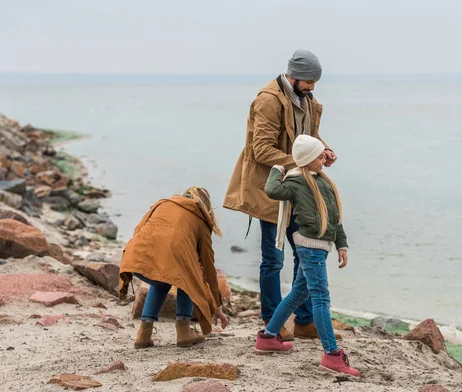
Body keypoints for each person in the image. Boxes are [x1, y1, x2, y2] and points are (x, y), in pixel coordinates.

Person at [223, 49, 340, 341]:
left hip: (300, 189)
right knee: (273, 260)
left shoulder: (308, 100)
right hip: (272, 190)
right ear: (295, 74)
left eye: (316, 81)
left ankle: (304, 321)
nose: (314, 86)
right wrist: (302, 162)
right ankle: (272, 322)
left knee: (305, 253)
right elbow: (261, 150)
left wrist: (323, 149)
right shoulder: (268, 100)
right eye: (310, 80)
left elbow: (307, 140)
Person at [254, 135, 360, 377]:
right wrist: (278, 168)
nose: (325, 159)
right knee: (321, 298)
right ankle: (332, 354)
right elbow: (272, 190)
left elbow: (334, 218)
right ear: (310, 158)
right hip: (309, 247)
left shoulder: (324, 182)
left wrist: (342, 245)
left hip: (321, 246)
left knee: (299, 293)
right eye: (321, 155)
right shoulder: (296, 182)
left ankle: (268, 337)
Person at [119, 186, 228, 349]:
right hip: (162, 264)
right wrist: (217, 306)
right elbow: (208, 267)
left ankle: (144, 333)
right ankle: (183, 330)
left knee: (161, 279)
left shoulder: (161, 204)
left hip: (136, 259)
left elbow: (138, 231)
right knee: (189, 275)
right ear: (206, 206)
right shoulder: (200, 218)